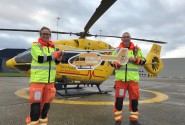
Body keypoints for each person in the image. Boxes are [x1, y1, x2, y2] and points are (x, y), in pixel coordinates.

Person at [26, 26, 64, 125]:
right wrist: (56, 54)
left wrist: (59, 59)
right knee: (35, 106)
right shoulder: (35, 46)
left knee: (46, 105)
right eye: (43, 34)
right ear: (40, 34)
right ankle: (33, 123)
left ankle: (43, 123)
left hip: (50, 82)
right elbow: (40, 58)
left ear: (50, 35)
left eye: (47, 34)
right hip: (38, 81)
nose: (45, 35)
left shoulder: (52, 47)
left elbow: (54, 62)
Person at [112, 32, 146, 125]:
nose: (126, 38)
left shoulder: (137, 50)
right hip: (121, 81)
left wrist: (135, 60)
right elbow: (111, 61)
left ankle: (133, 120)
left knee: (134, 100)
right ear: (121, 39)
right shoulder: (117, 50)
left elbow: (143, 61)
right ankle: (118, 121)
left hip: (133, 81)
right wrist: (116, 63)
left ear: (130, 39)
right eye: (124, 37)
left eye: (128, 37)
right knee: (119, 101)